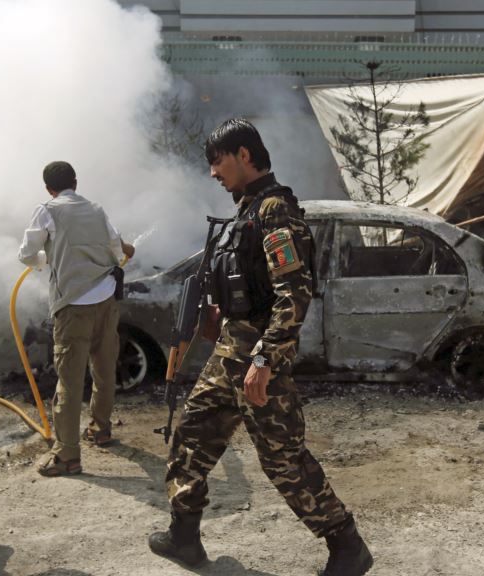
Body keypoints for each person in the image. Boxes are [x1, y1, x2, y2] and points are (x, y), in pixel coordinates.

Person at [147, 119, 374, 576]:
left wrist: (266, 360)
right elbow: (250, 284)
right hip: (231, 352)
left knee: (283, 458)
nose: (213, 172)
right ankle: (184, 537)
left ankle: (348, 547)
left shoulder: (276, 211)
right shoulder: (247, 212)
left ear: (244, 155)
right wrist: (220, 314)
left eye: (218, 161)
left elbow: (294, 293)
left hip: (256, 358)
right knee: (190, 437)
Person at [18, 161, 134, 476]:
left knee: (69, 382)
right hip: (107, 301)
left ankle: (67, 456)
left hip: (73, 306)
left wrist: (47, 258)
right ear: (76, 182)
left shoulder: (46, 210)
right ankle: (101, 429)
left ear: (48, 188)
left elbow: (27, 254)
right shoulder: (96, 209)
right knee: (105, 368)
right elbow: (116, 247)